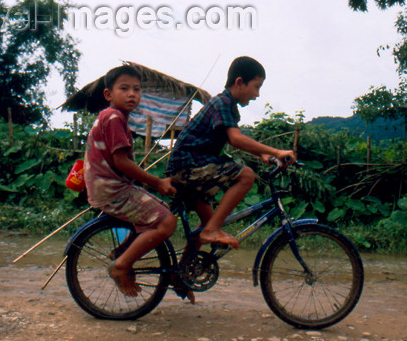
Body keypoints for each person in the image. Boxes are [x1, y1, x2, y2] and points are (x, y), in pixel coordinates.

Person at [166, 56, 296, 249]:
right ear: (239, 82)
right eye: (256, 87)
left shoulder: (228, 106)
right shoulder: (222, 103)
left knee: (206, 224)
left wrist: (261, 154)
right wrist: (276, 151)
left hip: (186, 166)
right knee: (246, 175)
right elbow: (236, 139)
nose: (257, 94)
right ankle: (211, 231)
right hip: (189, 165)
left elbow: (232, 139)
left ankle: (183, 274)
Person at [83, 64, 177, 297]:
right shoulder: (114, 117)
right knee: (167, 222)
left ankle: (121, 254)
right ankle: (122, 265)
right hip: (112, 189)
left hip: (108, 186)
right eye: (124, 88)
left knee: (160, 212)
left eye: (136, 89)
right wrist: (156, 182)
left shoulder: (113, 117)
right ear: (109, 94)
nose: (132, 94)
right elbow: (121, 163)